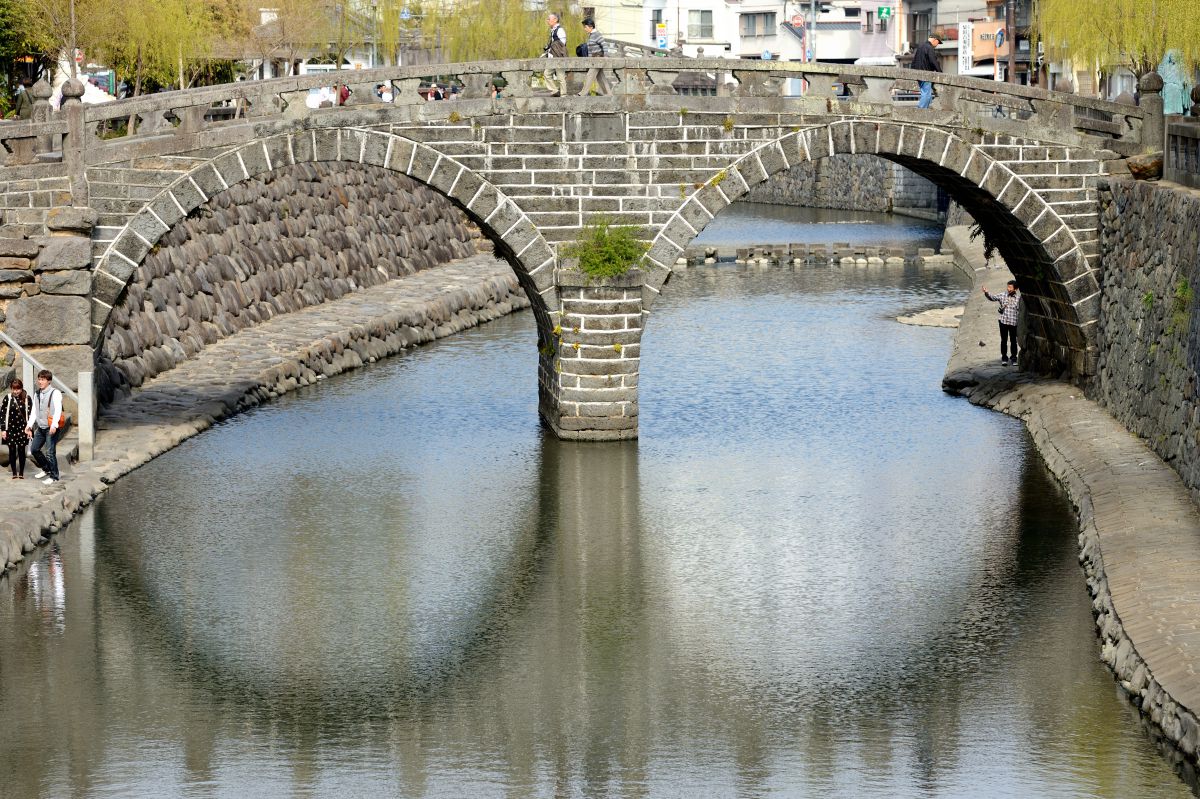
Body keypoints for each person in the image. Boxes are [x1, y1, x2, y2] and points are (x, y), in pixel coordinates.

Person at [26, 369, 64, 485]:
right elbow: (34, 411)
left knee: (50, 453)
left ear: (49, 381)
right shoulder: (37, 393)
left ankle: (54, 476)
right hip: (41, 428)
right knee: (34, 449)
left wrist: (54, 425)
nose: (40, 382)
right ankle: (46, 469)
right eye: (39, 379)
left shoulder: (55, 393)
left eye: (43, 380)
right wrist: (29, 425)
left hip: (51, 427)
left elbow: (58, 410)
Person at [983, 280, 1021, 366]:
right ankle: (1004, 357)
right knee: (1004, 340)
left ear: (1016, 289)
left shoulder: (1019, 299)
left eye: (1010, 287)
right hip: (1003, 321)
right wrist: (986, 293)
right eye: (1007, 287)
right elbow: (993, 298)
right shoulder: (1003, 295)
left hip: (1013, 322)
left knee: (1013, 341)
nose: (1008, 289)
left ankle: (1014, 357)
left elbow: (1020, 311)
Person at [1, 379, 32, 479]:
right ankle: (14, 472)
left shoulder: (27, 398)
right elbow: (2, 414)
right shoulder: (8, 398)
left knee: (22, 450)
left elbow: (31, 415)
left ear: (21, 388)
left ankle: (21, 472)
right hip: (10, 429)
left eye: (18, 389)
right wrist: (3, 430)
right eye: (14, 389)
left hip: (23, 429)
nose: (16, 391)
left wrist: (30, 429)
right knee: (12, 450)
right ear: (11, 389)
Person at [578, 18, 611, 96]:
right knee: (600, 77)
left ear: (591, 26)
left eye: (585, 27)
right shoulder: (591, 35)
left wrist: (605, 56)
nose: (584, 29)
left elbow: (604, 45)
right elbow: (590, 49)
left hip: (598, 59)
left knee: (590, 75)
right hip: (594, 59)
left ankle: (583, 93)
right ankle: (608, 94)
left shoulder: (597, 34)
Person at [911, 34, 942, 109]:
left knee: (926, 94)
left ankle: (923, 110)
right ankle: (920, 111)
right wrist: (940, 72)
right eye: (938, 42)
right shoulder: (929, 48)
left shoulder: (920, 46)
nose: (937, 45)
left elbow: (914, 61)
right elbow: (933, 61)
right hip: (926, 74)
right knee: (926, 94)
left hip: (918, 73)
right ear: (935, 40)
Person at [542, 12, 568, 97]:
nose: (547, 21)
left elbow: (562, 45)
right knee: (547, 74)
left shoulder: (560, 30)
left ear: (555, 20)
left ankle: (563, 95)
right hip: (552, 57)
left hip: (559, 57)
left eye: (549, 19)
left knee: (560, 77)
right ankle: (555, 91)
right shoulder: (553, 30)